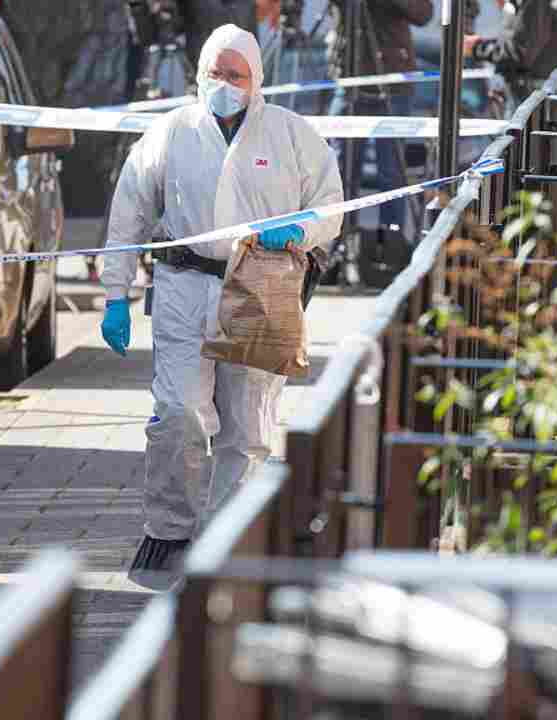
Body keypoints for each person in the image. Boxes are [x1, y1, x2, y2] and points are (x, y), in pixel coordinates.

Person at [100, 24, 343, 585]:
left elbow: (332, 206)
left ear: (257, 80)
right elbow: (127, 215)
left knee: (248, 423)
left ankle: (228, 541)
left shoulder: (290, 135)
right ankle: (169, 533)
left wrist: (301, 230)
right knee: (177, 413)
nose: (225, 84)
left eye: (236, 75)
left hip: (262, 286)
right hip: (184, 286)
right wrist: (115, 293)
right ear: (200, 74)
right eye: (216, 73)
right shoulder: (171, 132)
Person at [326, 0, 434, 249]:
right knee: (340, 170)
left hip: (393, 81)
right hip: (350, 76)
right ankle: (335, 245)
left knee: (391, 171)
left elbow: (424, 13)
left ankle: (390, 246)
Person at [463, 0, 557, 110]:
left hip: (530, 92)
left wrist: (476, 48)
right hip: (532, 89)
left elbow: (520, 52)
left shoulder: (535, 4)